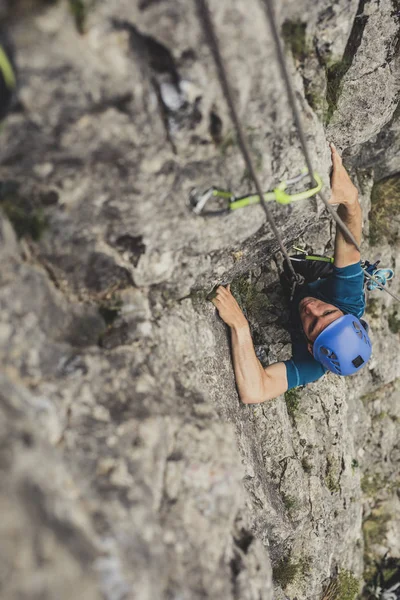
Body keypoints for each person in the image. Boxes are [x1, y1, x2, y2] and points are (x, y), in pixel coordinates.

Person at [211, 143, 372, 404]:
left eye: (312, 325)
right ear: (343, 313)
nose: (312, 309)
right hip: (317, 277)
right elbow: (350, 242)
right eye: (328, 312)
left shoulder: (314, 363)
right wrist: (350, 200)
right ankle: (297, 262)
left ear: (311, 346)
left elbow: (255, 391)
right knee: (293, 264)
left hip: (294, 302)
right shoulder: (348, 301)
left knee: (290, 292)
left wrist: (239, 326)